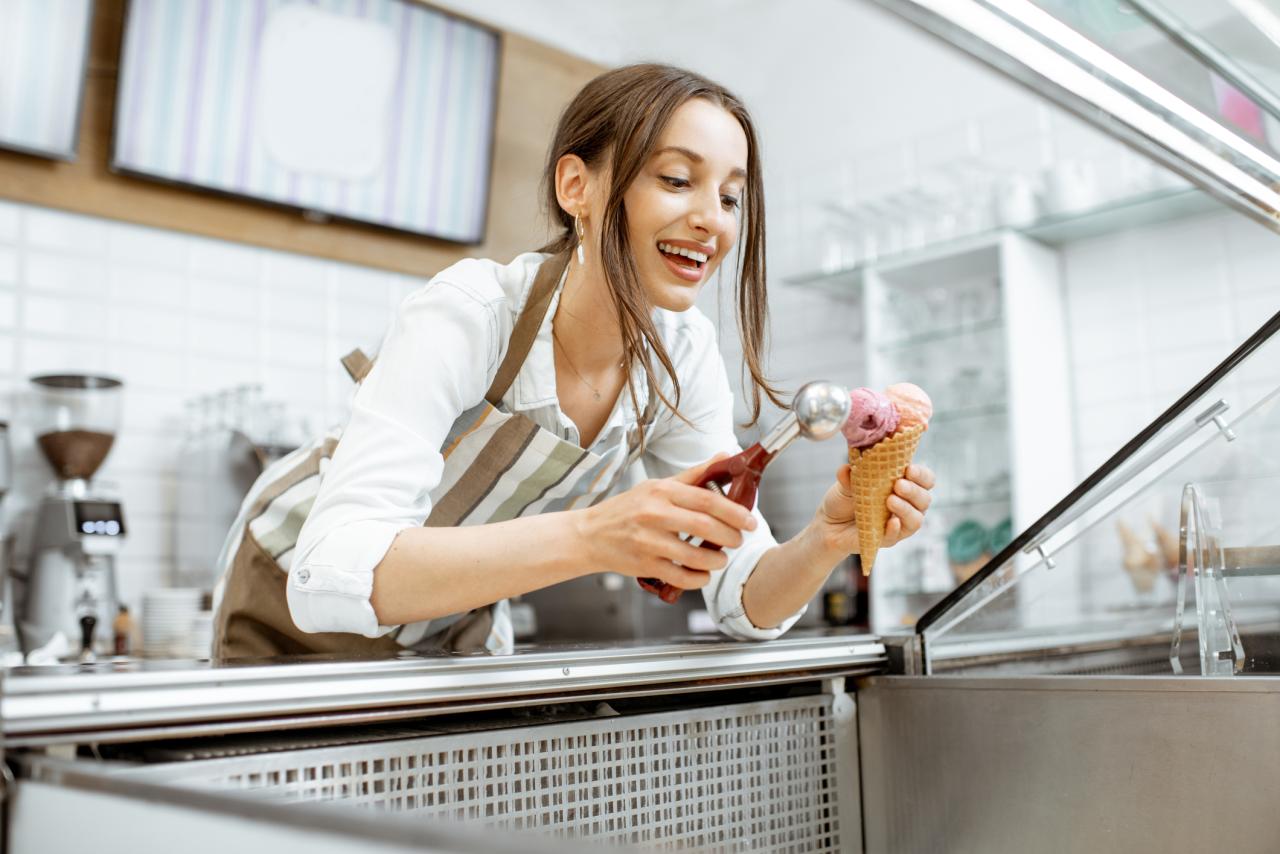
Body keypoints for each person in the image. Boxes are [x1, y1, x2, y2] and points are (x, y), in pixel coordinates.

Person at [211, 63, 935, 661]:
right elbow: (327, 571)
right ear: (575, 188)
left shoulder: (682, 356)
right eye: (677, 180)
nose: (713, 219)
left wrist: (826, 539)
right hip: (285, 606)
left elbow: (742, 597)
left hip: (446, 625)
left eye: (731, 196)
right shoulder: (472, 312)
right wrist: (594, 536)